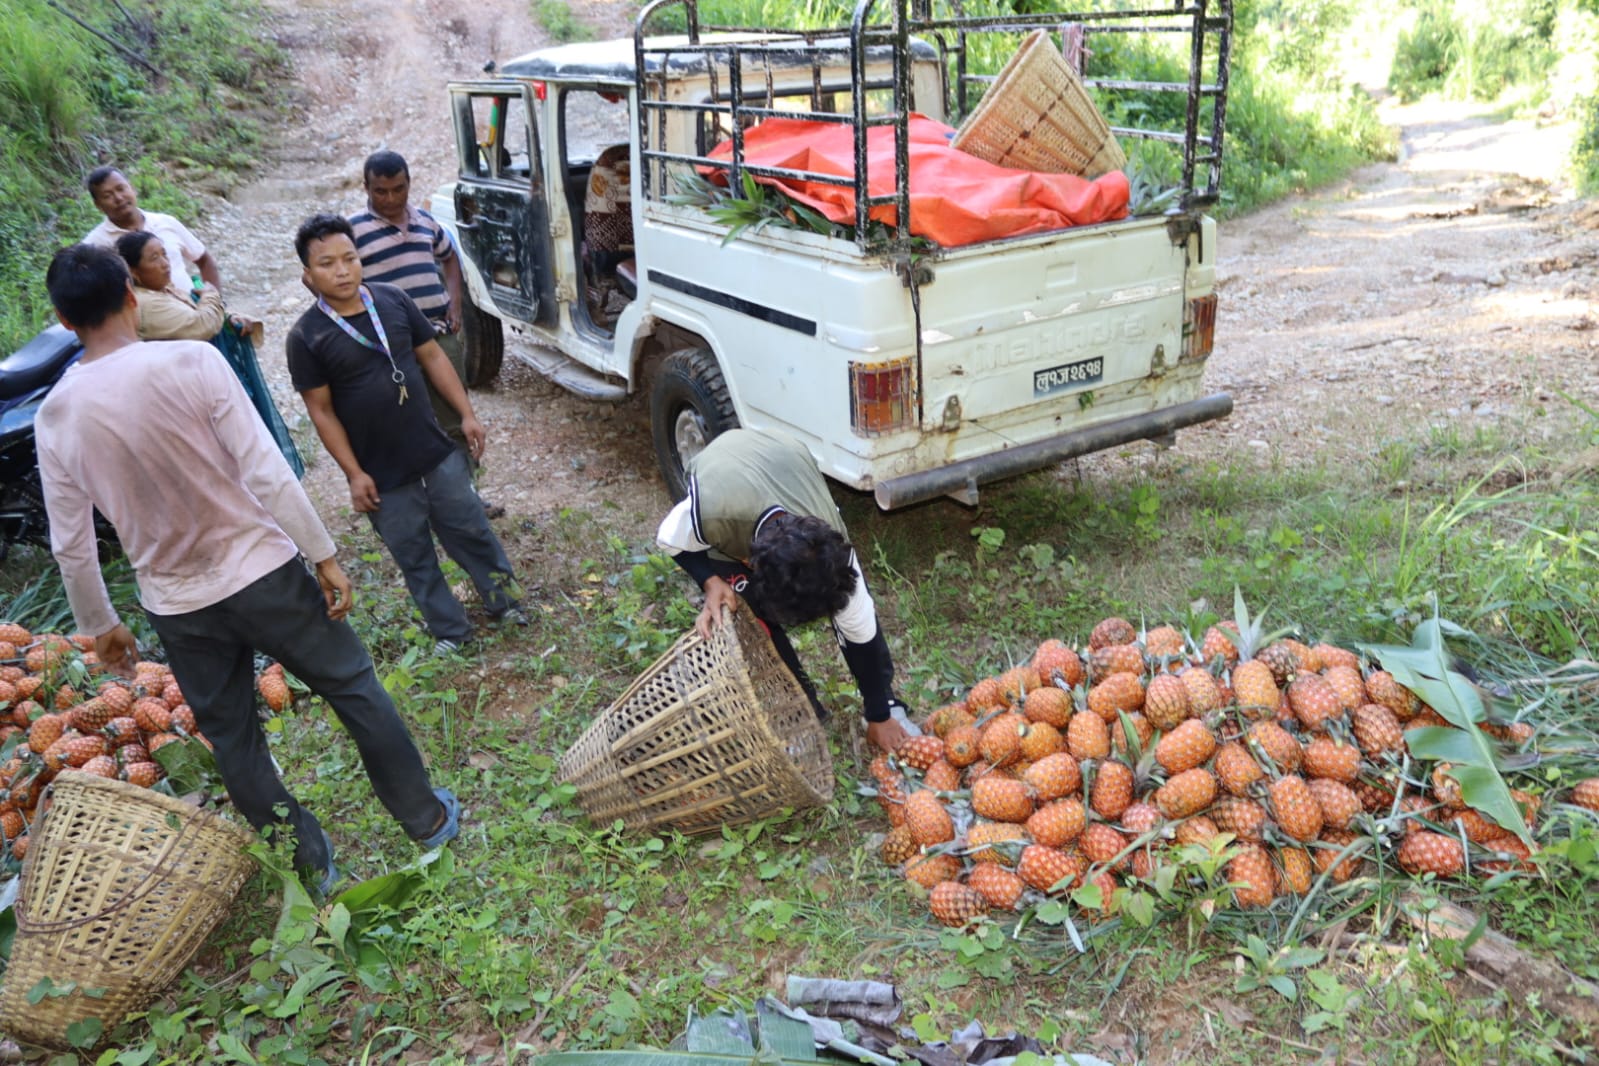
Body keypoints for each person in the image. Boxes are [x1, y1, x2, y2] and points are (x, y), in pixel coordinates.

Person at [35, 243, 458, 896]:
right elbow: (264, 468)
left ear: (63, 322)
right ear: (130, 296)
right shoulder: (190, 360)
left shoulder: (56, 414)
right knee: (353, 688)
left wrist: (101, 625)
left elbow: (72, 543)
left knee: (235, 739)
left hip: (178, 604)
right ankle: (425, 819)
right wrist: (322, 554)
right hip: (261, 572)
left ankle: (310, 869)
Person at [286, 213, 526, 654]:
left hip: (433, 451)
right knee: (414, 555)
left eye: (349, 258)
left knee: (470, 528)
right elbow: (320, 411)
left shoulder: (392, 300)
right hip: (381, 472)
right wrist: (354, 474)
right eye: (326, 264)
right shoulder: (307, 337)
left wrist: (467, 413)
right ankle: (452, 631)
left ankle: (505, 601)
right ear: (308, 275)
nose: (341, 270)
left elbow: (433, 357)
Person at [655, 428, 911, 752]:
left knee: (858, 622)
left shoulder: (833, 552)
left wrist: (880, 714)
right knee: (755, 619)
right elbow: (668, 538)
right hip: (725, 464)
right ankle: (805, 712)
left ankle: (884, 700)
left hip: (780, 455)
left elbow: (862, 632)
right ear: (748, 562)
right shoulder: (713, 515)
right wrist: (711, 581)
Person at [347, 151, 503, 517]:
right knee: (396, 421)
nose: (389, 198)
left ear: (408, 184)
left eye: (397, 189)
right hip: (386, 345)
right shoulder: (352, 230)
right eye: (380, 191)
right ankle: (410, 503)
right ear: (366, 187)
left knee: (453, 417)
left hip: (437, 336)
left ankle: (467, 499)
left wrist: (455, 299)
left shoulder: (426, 222)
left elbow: (450, 257)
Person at [114, 230, 305, 478]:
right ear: (134, 272)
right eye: (154, 258)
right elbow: (201, 325)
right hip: (192, 398)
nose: (165, 263)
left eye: (164, 255)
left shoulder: (166, 291)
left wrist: (229, 318)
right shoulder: (146, 305)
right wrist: (211, 294)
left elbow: (201, 314)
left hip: (207, 388)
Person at [83, 166, 222, 293]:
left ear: (132, 188)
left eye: (121, 189)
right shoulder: (95, 245)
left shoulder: (166, 222)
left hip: (194, 313)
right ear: (98, 205)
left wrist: (217, 302)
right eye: (107, 196)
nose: (118, 198)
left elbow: (204, 260)